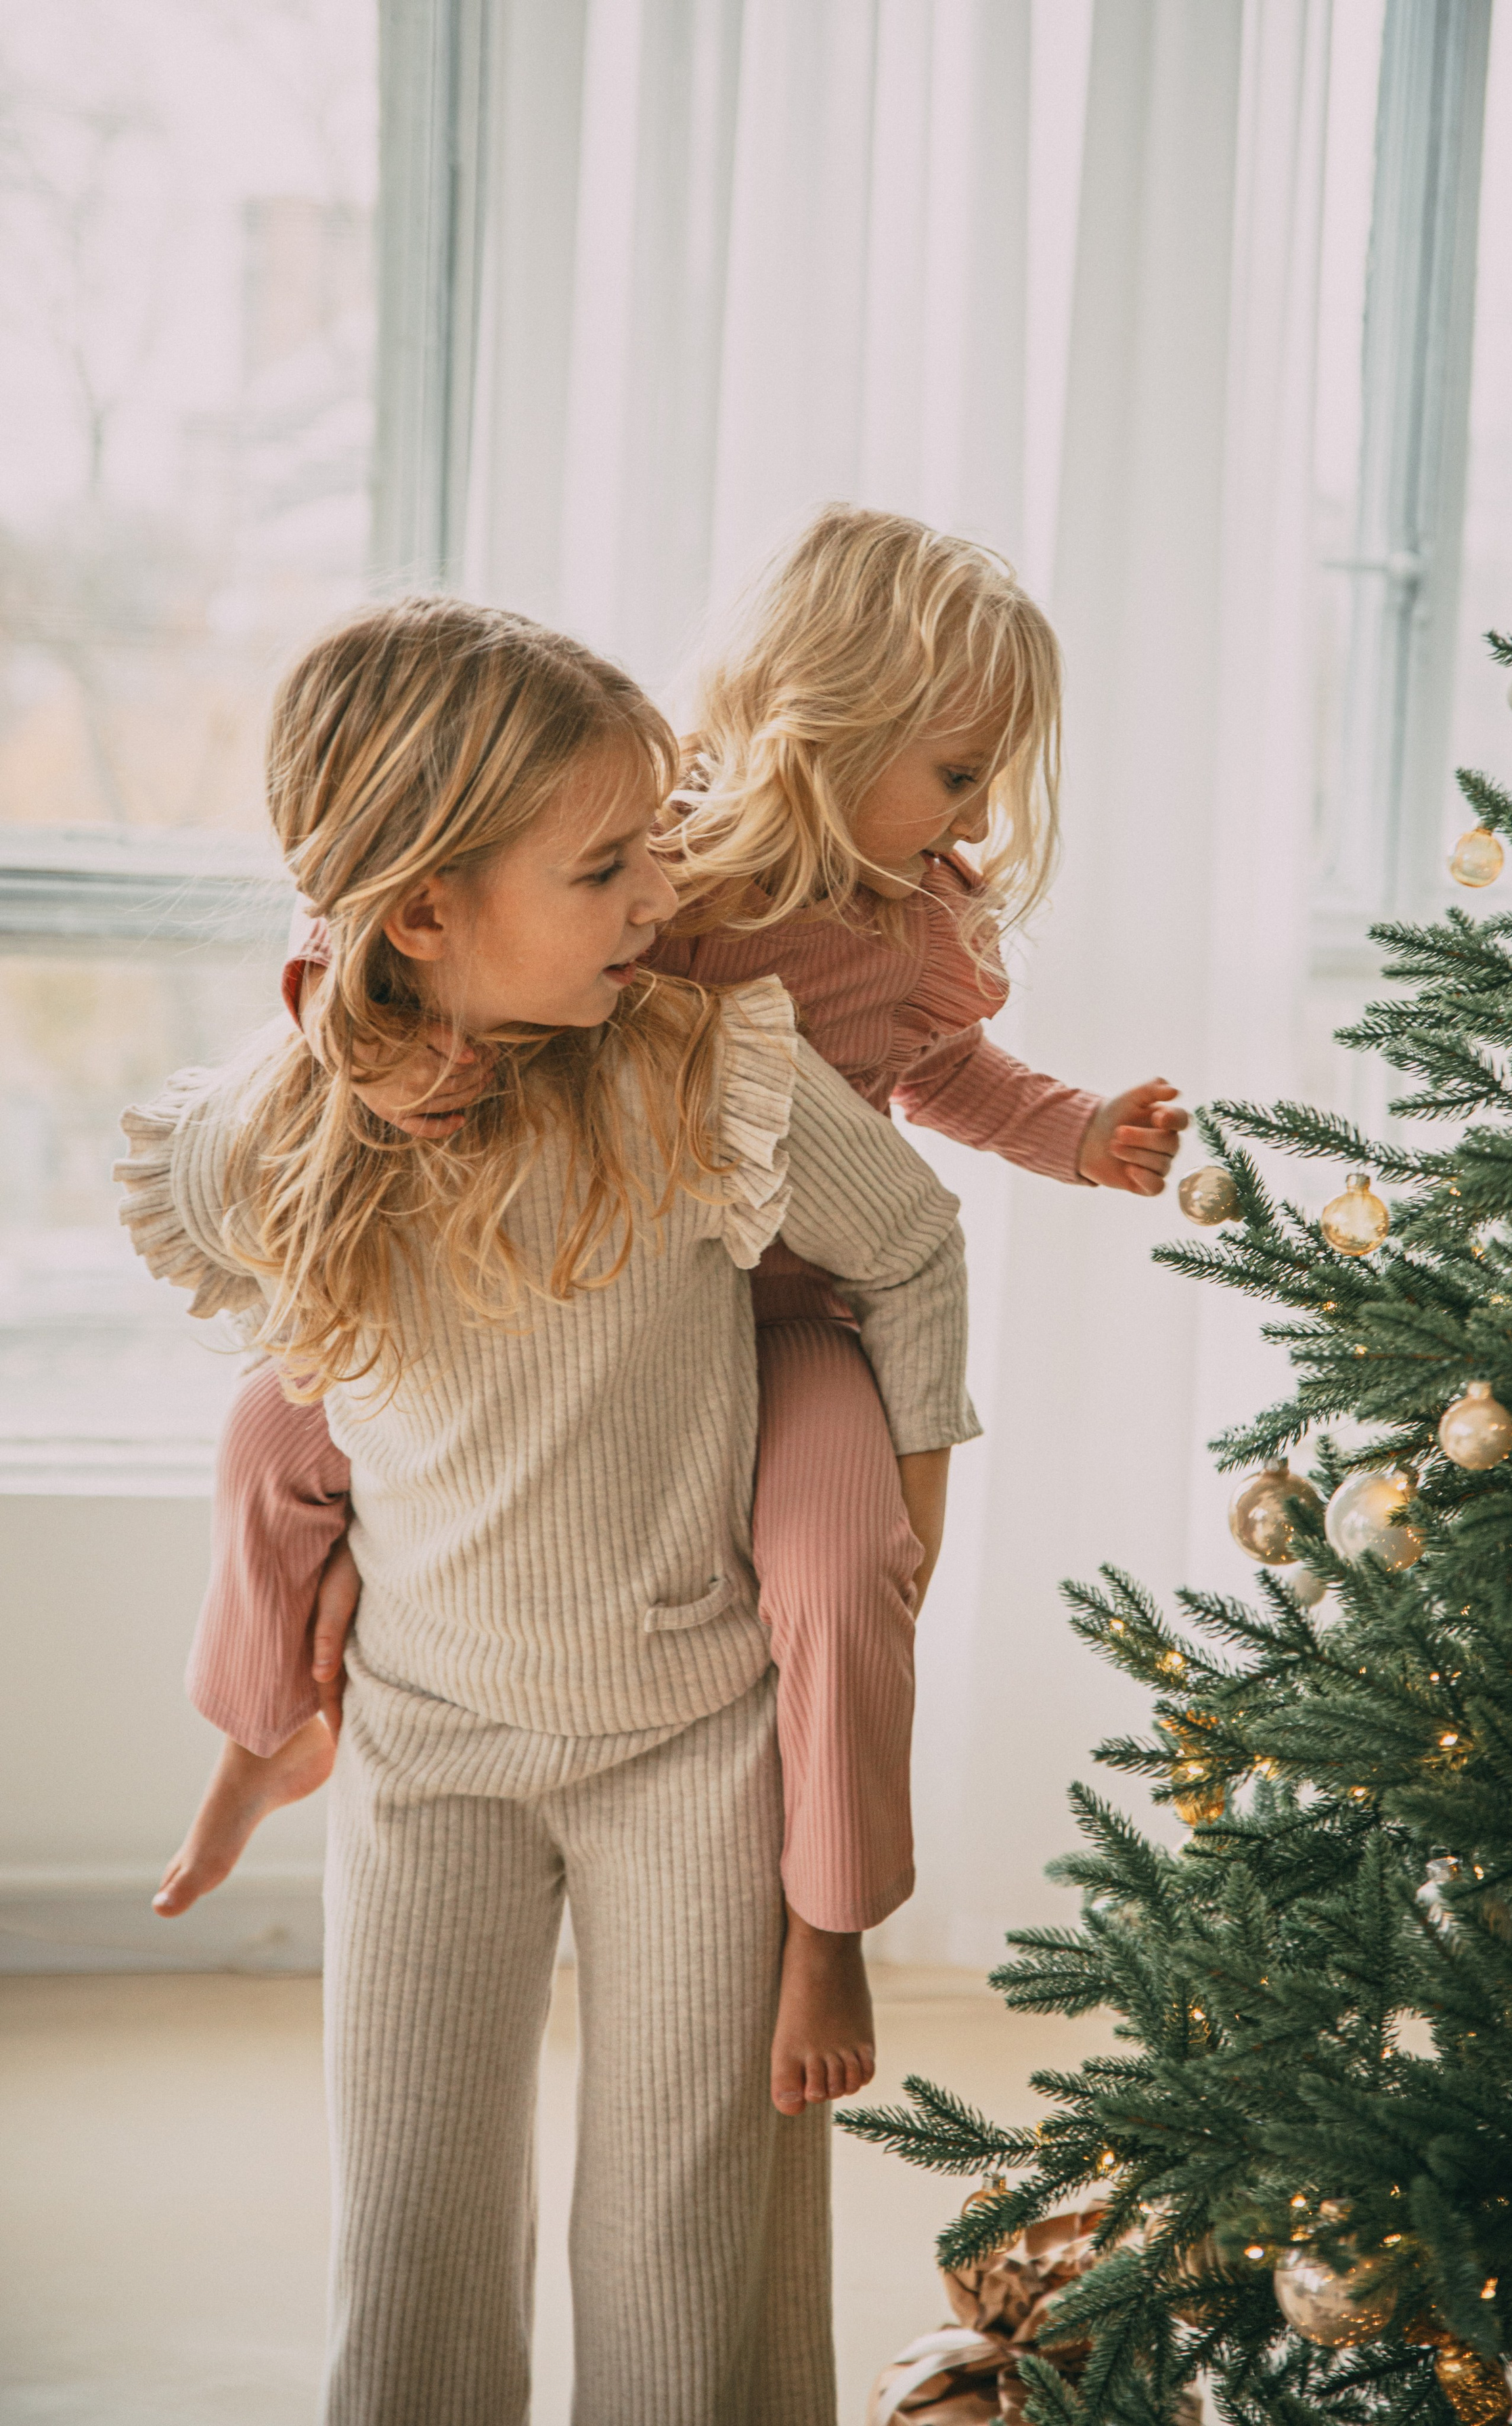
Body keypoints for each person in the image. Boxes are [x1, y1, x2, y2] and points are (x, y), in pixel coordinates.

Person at [152, 508, 1188, 2115]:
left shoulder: (911, 921)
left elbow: (944, 1079)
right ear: (818, 731)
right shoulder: (662, 846)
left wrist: (1071, 1130)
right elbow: (374, 895)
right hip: (616, 1275)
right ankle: (256, 1727)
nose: (976, 816)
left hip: (792, 1309)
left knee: (842, 1571)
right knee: (267, 1432)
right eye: (959, 771)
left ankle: (831, 1914)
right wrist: (391, 1049)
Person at [117, 595, 978, 2425]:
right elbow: (257, 1325)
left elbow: (909, 1246)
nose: (660, 900)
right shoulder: (274, 1135)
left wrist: (906, 1520)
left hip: (688, 1749)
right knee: (413, 2222)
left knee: (683, 2238)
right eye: (607, 869)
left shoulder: (706, 1068)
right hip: (433, 1751)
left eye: (654, 846)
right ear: (421, 914)